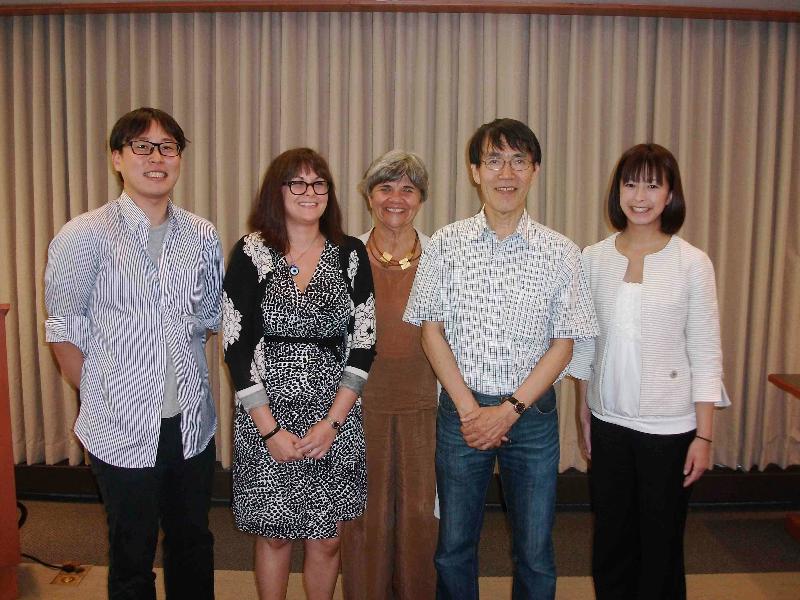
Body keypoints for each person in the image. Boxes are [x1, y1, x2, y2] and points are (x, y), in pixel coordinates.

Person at [403, 118, 597, 600]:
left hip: (530, 416)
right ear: (474, 171)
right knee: (453, 545)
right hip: (460, 414)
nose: (505, 172)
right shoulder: (444, 244)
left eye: (518, 160)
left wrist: (509, 409)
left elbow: (565, 342)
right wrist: (471, 411)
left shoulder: (561, 252)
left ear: (535, 170)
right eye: (493, 160)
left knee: (534, 550)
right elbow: (431, 330)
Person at [44, 107, 223, 600]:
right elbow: (63, 331)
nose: (157, 158)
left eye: (168, 147)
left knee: (193, 542)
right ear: (118, 158)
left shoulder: (201, 234)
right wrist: (104, 395)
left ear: (180, 159)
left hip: (190, 423)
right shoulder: (83, 234)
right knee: (132, 551)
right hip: (119, 426)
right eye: (142, 147)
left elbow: (208, 318)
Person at [570, 143, 726, 600]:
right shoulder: (593, 258)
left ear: (670, 193)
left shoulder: (691, 262)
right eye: (630, 183)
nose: (640, 196)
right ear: (617, 190)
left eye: (652, 185)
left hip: (671, 428)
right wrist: (584, 413)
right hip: (609, 422)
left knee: (661, 547)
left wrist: (705, 435)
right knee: (611, 543)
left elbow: (705, 349)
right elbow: (585, 343)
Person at [222, 148, 376, 600]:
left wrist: (332, 423)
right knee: (274, 533)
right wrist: (269, 429)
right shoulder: (251, 251)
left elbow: (365, 344)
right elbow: (236, 345)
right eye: (298, 183)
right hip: (266, 414)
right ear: (278, 190)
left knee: (326, 536)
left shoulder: (350, 253)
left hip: (334, 415)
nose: (310, 192)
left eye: (319, 183)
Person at [340, 150, 438, 600]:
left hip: (426, 404)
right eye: (385, 188)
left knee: (422, 515)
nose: (395, 198)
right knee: (365, 516)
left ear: (420, 198)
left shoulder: (441, 256)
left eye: (407, 189)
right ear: (369, 195)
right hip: (359, 405)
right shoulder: (344, 257)